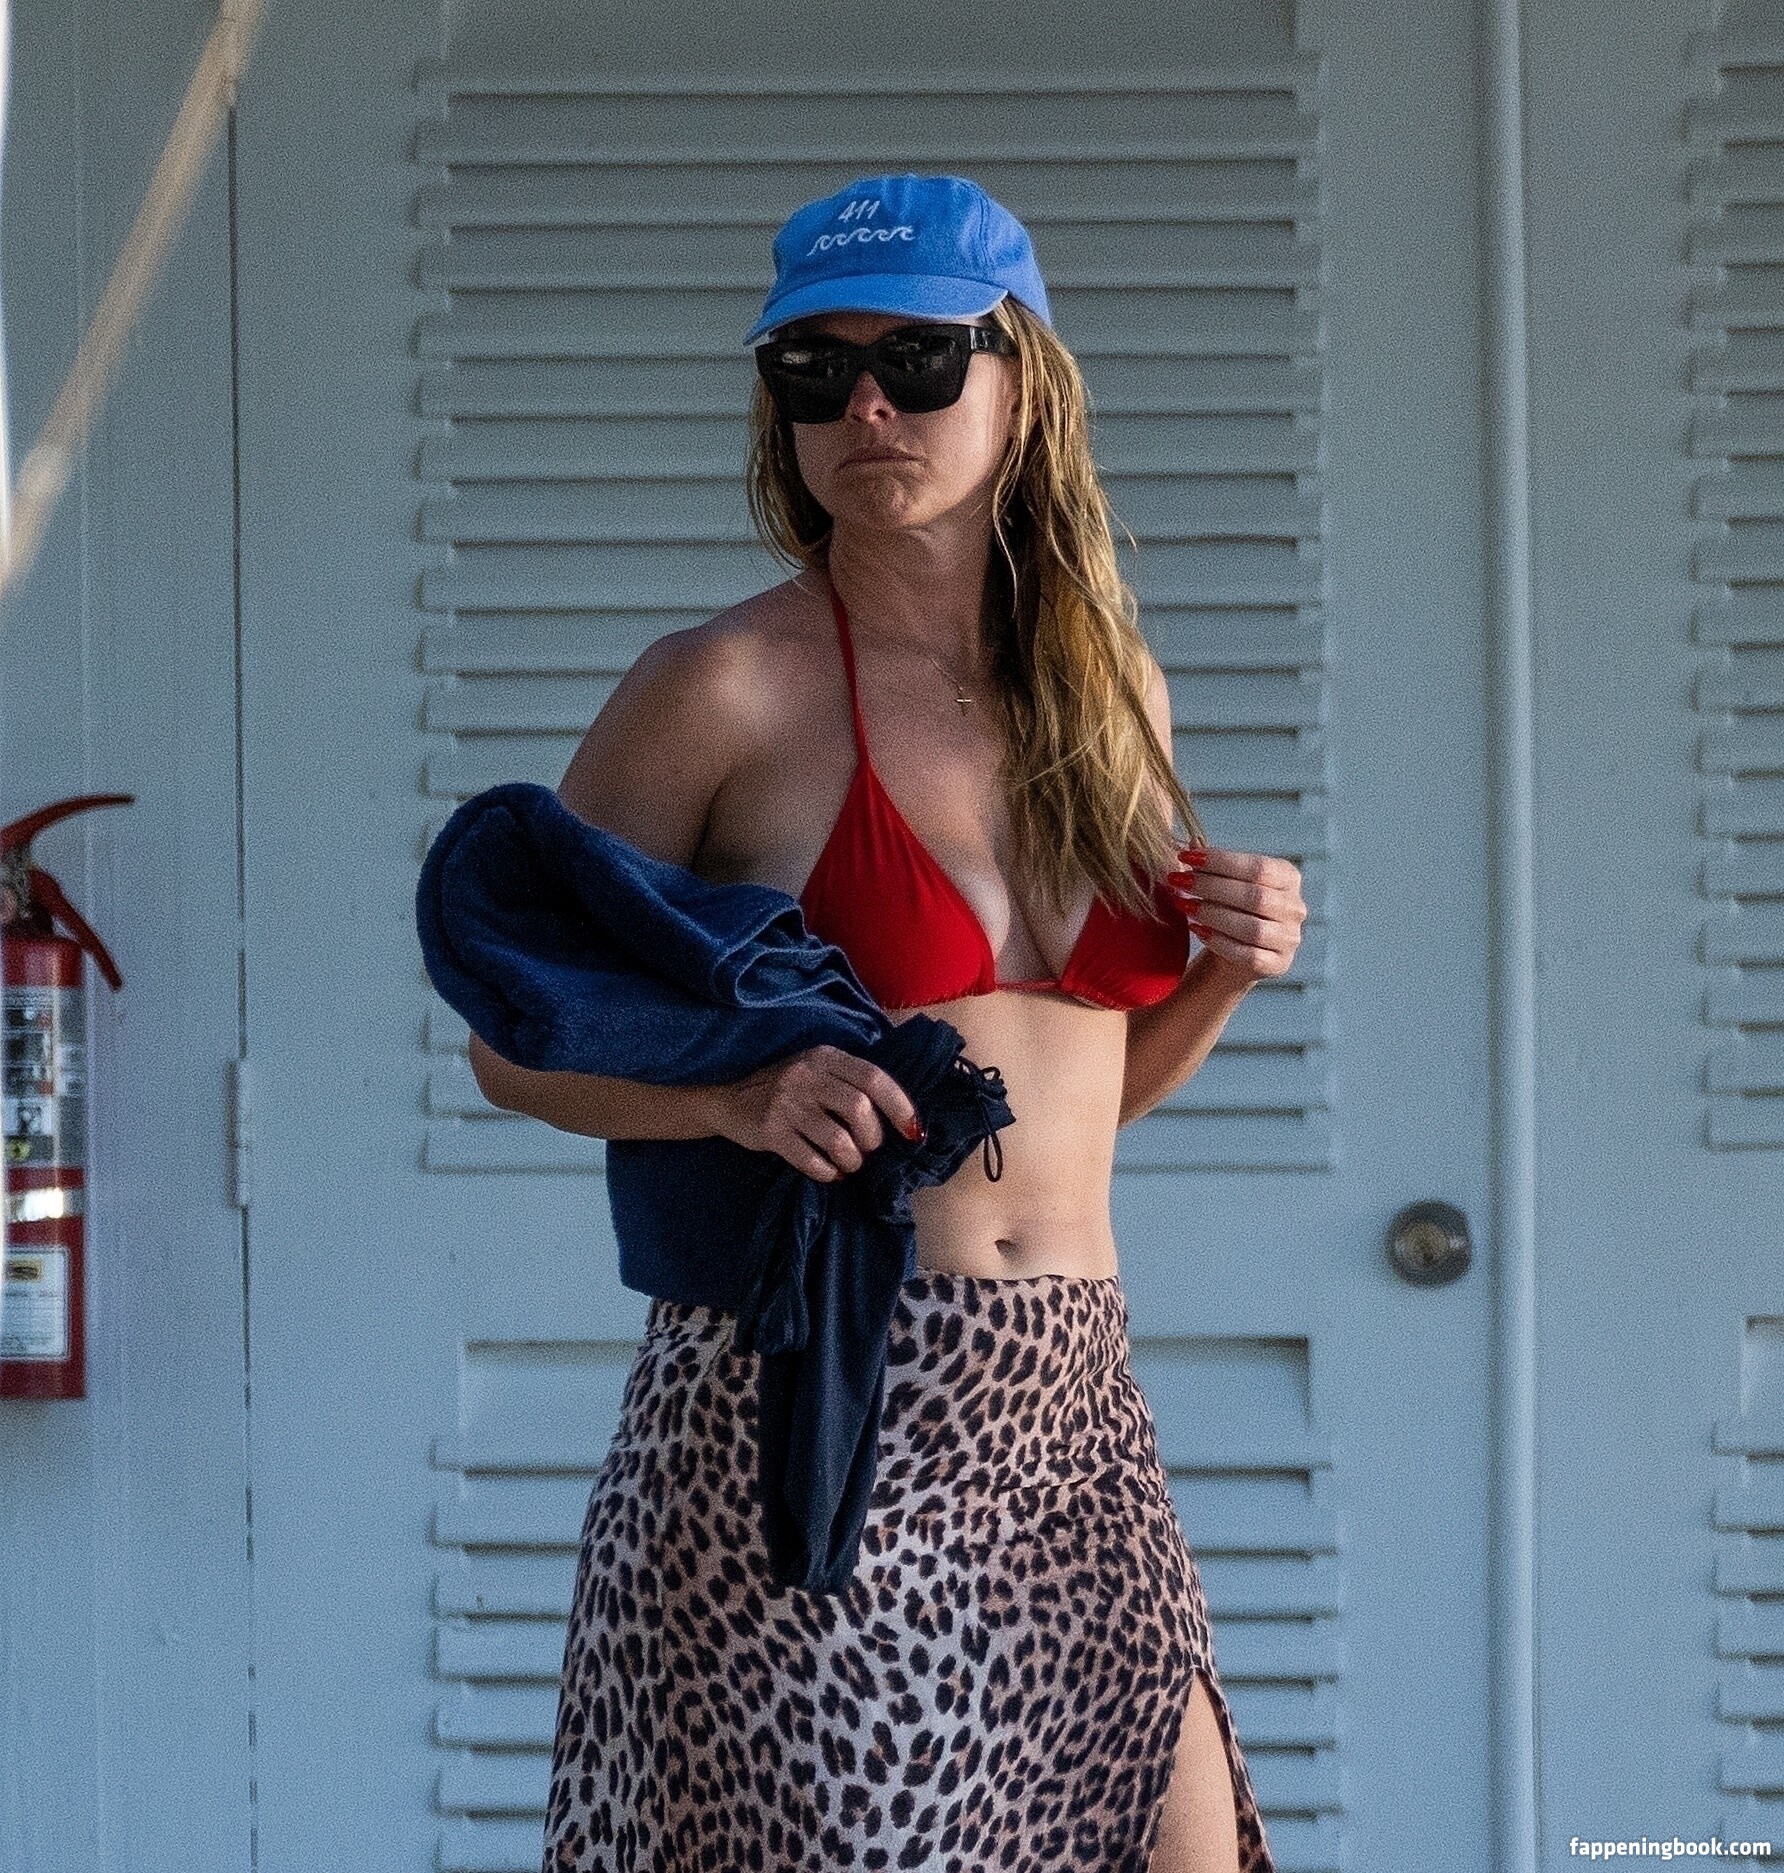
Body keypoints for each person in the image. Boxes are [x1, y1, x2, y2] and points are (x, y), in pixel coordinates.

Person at [474, 173, 1306, 1873]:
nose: (864, 407)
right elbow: (517, 1039)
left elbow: (1078, 1109)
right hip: (813, 1410)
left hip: (1071, 1407)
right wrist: (734, 1100)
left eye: (917, 361)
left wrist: (1224, 968)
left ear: (1022, 384)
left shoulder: (1110, 690)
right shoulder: (719, 687)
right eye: (815, 369)